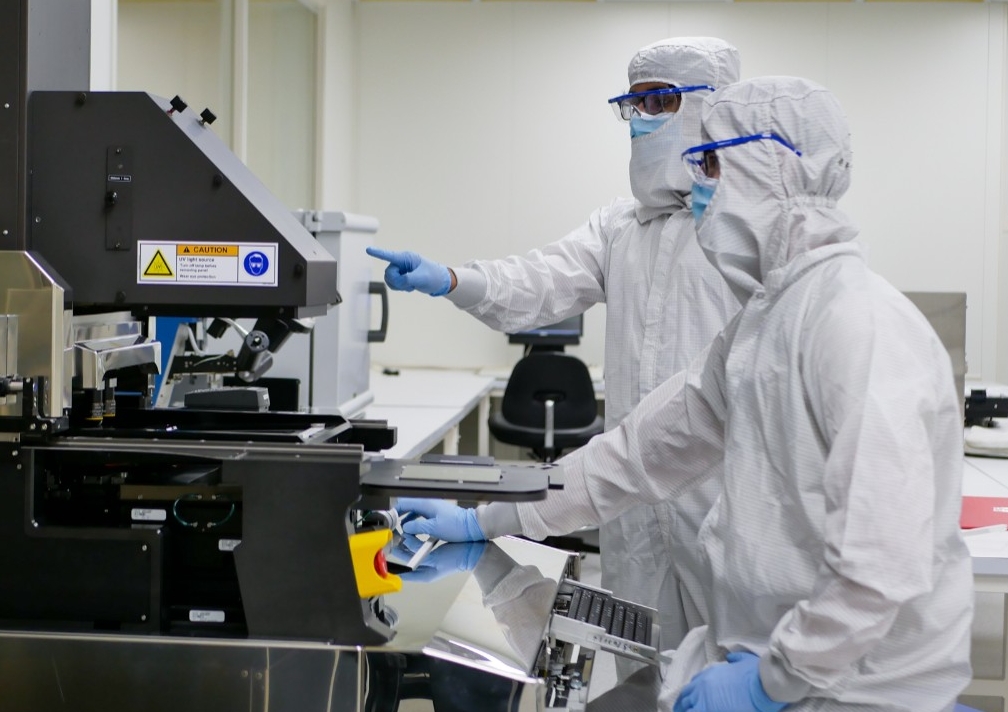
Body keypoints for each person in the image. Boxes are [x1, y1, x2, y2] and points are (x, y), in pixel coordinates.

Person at [398, 75, 975, 712]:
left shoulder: (856, 325)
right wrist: (485, 518)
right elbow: (635, 454)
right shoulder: (764, 323)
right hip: (775, 663)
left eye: (707, 164)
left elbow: (881, 560)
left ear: (770, 169)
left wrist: (771, 682)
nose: (695, 184)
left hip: (855, 691)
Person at [367, 37, 743, 676]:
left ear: (710, 111)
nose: (642, 119)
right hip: (629, 504)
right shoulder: (622, 229)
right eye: (634, 104)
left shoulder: (742, 231)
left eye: (659, 100)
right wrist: (454, 280)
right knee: (637, 668)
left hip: (724, 505)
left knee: (731, 665)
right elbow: (540, 280)